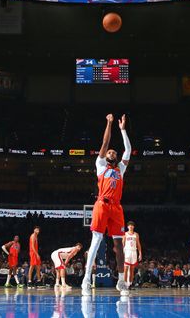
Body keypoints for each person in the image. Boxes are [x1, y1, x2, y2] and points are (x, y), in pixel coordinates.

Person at [81, 114, 132, 296]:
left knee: (119, 246)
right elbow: (104, 143)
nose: (112, 153)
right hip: (102, 204)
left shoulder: (121, 169)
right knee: (96, 240)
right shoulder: (101, 165)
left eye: (114, 153)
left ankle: (121, 280)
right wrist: (109, 124)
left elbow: (128, 149)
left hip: (117, 207)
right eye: (110, 152)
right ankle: (87, 278)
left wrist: (123, 130)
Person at [123, 222, 142, 288]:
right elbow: (122, 244)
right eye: (129, 225)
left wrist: (140, 254)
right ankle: (125, 284)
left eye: (132, 225)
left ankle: (130, 284)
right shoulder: (125, 234)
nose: (131, 226)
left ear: (133, 227)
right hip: (127, 252)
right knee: (125, 269)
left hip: (134, 252)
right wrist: (122, 254)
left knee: (132, 269)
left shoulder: (136, 234)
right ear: (127, 227)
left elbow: (138, 244)